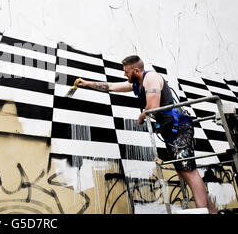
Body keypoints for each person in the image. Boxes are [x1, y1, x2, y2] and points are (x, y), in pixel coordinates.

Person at [75, 55, 217, 214]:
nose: (124, 75)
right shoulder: (138, 83)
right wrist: (86, 84)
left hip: (180, 127)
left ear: (136, 70)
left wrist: (141, 117)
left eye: (126, 71)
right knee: (184, 170)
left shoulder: (151, 78)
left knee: (187, 171)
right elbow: (111, 86)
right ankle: (211, 211)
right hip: (172, 130)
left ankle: (204, 211)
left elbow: (152, 106)